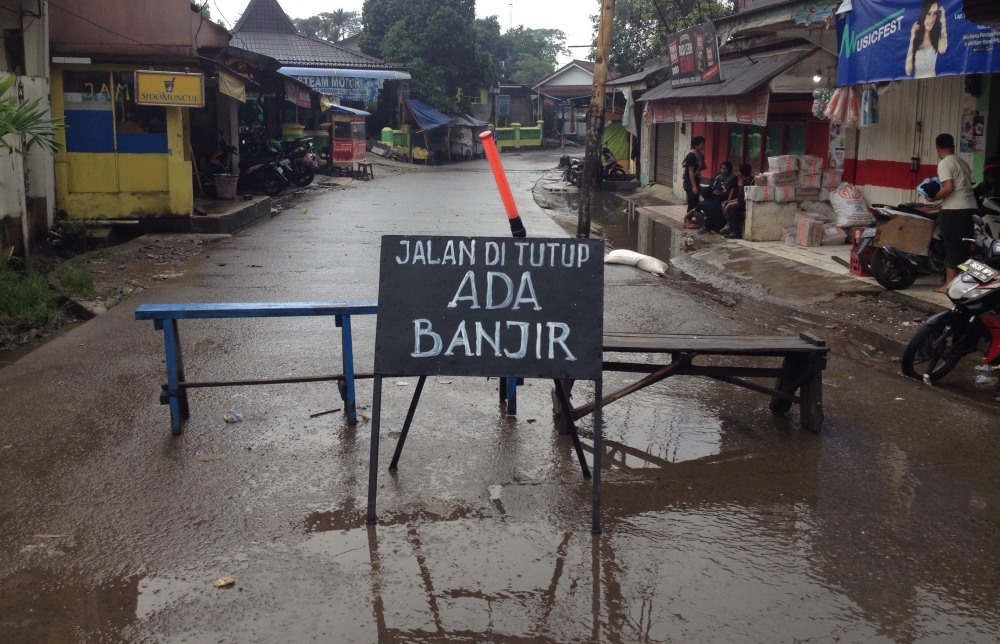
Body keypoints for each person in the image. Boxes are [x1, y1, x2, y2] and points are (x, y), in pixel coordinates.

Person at [928, 133, 976, 293]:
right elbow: (962, 188)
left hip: (955, 212)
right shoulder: (962, 162)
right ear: (953, 146)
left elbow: (949, 188)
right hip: (969, 209)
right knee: (963, 247)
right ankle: (961, 283)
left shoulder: (945, 163)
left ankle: (949, 284)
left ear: (938, 148)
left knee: (951, 246)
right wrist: (943, 204)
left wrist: (932, 197)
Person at [906, 0, 948, 79]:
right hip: (916, 82)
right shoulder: (916, 36)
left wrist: (943, 20)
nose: (932, 19)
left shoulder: (936, 35)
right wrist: (912, 37)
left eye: (935, 13)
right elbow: (908, 71)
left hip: (933, 81)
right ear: (923, 14)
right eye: (929, 14)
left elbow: (942, 50)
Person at [683, 136, 706, 211]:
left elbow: (703, 167)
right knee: (692, 202)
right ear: (696, 146)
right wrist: (694, 186)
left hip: (696, 180)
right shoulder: (691, 156)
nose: (703, 146)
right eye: (702, 145)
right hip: (690, 182)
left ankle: (692, 219)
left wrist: (702, 157)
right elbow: (691, 172)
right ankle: (687, 219)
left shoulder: (698, 155)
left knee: (696, 202)